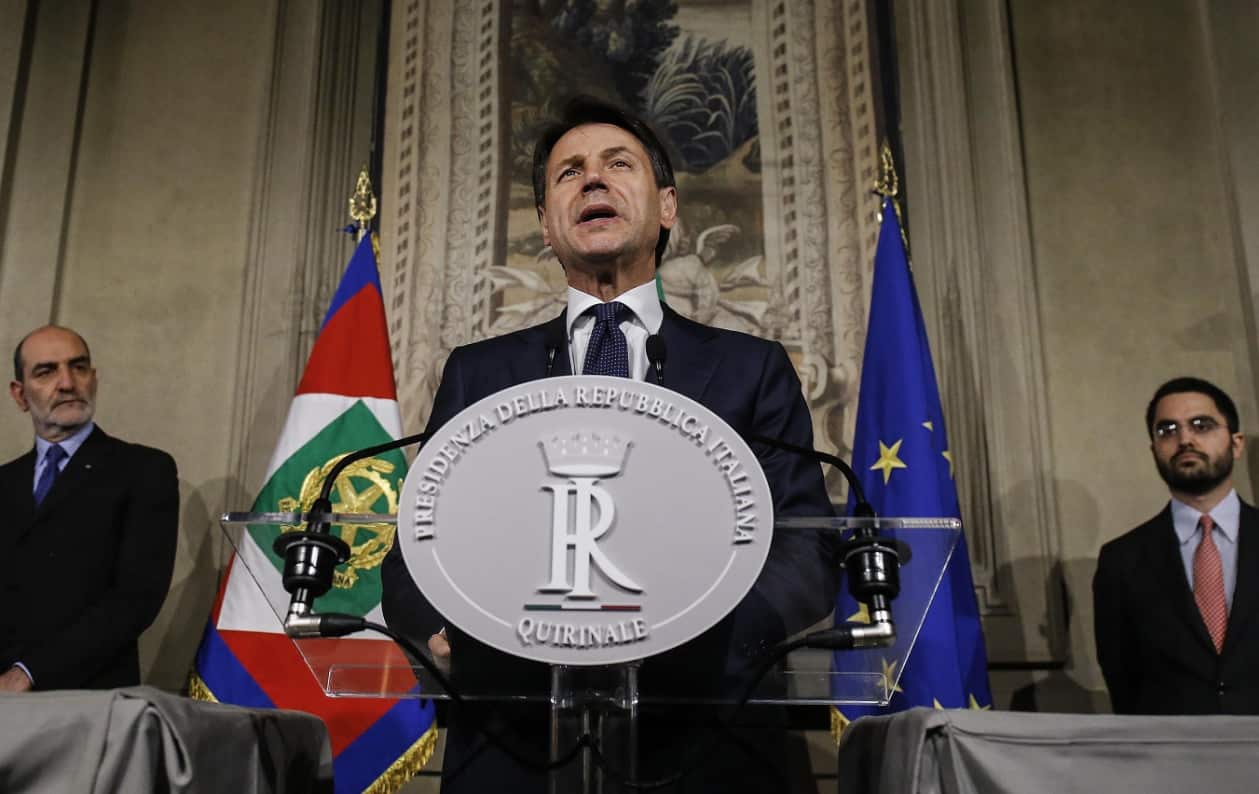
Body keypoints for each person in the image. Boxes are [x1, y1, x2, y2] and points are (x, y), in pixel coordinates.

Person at [381, 96, 837, 791]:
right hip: (517, 736)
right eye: (568, 173)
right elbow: (422, 539)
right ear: (545, 223)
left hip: (705, 734)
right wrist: (441, 632)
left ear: (666, 207)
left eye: (616, 165)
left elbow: (803, 542)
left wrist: (706, 639)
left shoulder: (750, 369)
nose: (591, 180)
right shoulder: (479, 373)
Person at [0, 325, 179, 692]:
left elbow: (135, 597)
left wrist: (29, 672)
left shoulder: (143, 470)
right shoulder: (4, 482)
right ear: (19, 395)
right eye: (46, 371)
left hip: (91, 702)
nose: (67, 383)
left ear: (93, 379)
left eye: (78, 367)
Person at [1093, 376, 1259, 714]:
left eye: (1202, 425)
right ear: (1154, 450)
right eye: (1167, 430)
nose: (1185, 439)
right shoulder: (1121, 561)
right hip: (1171, 758)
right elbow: (1124, 682)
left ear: (1236, 443)